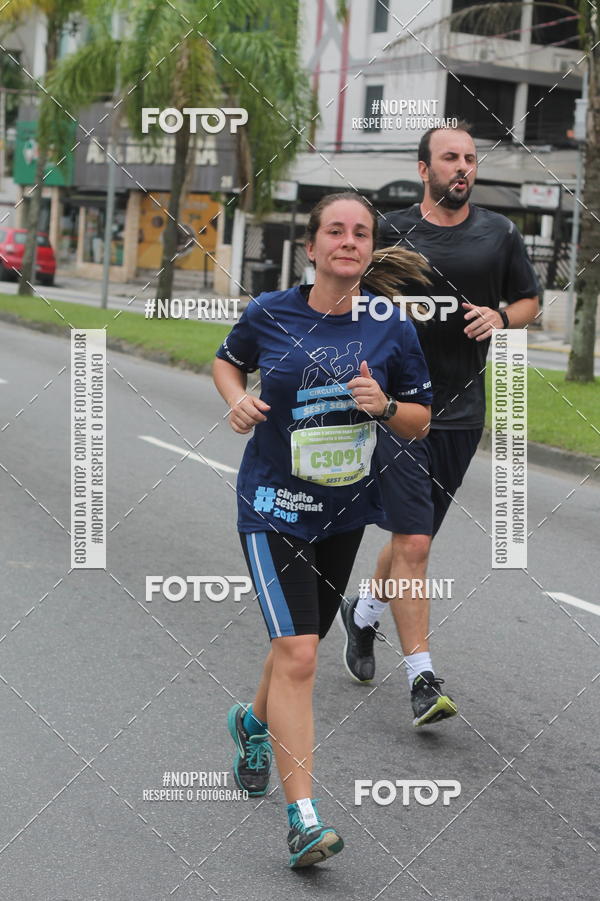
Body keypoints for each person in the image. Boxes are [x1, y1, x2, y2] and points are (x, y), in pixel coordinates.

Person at [213, 192, 433, 868]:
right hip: (272, 507)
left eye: (360, 232)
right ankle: (303, 820)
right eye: (335, 230)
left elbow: (420, 418)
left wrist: (387, 404)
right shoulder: (270, 312)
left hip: (344, 511)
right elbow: (227, 359)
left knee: (296, 647)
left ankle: (252, 721)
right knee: (302, 654)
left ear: (369, 250)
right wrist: (238, 399)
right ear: (311, 247)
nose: (348, 240)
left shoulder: (391, 326)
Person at [339, 123, 540, 727]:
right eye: (450, 157)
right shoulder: (392, 231)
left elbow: (531, 300)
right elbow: (348, 297)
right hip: (398, 410)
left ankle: (363, 614)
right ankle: (422, 678)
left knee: (411, 538)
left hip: (461, 412)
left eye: (470, 159)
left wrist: (502, 317)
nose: (462, 167)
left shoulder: (498, 234)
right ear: (424, 168)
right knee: (417, 543)